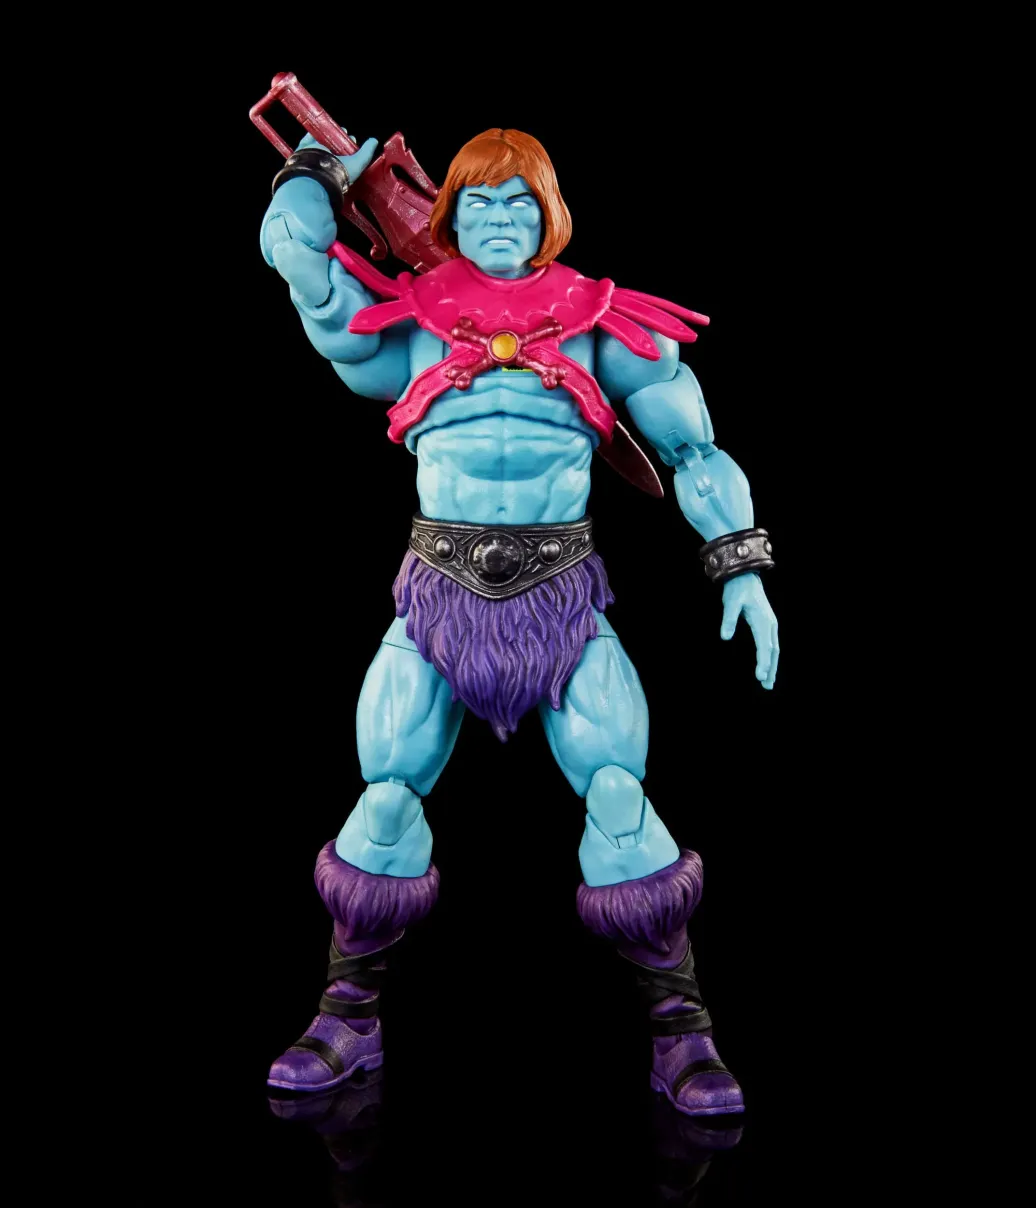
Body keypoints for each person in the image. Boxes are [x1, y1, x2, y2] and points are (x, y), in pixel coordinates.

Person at [259, 127, 778, 1117]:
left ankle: (684, 1033)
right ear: (447, 215)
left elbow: (696, 450)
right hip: (436, 595)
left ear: (550, 217)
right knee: (384, 800)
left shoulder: (601, 321)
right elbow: (302, 267)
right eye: (479, 203)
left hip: (563, 597)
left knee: (620, 799)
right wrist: (312, 173)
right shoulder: (410, 318)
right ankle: (345, 1017)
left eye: (519, 204)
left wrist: (740, 567)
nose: (499, 220)